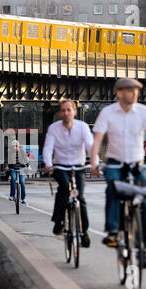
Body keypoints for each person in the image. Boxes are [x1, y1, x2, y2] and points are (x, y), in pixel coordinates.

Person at [90, 78, 146, 268]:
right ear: (119, 93)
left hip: (136, 165)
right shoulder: (107, 113)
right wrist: (94, 161)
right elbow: (98, 139)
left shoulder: (144, 112)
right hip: (115, 164)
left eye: (136, 90)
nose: (134, 93)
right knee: (113, 190)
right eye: (130, 90)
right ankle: (113, 230)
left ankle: (144, 251)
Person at [43, 99, 94, 248]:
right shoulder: (54, 128)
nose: (66, 113)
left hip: (78, 166)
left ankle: (84, 232)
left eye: (69, 110)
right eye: (63, 110)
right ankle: (58, 222)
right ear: (60, 113)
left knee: (80, 197)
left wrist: (95, 162)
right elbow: (48, 148)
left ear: (74, 112)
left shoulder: (83, 127)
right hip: (60, 166)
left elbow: (91, 145)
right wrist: (48, 164)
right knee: (65, 189)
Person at [5, 140, 30, 205]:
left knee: (22, 182)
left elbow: (26, 159)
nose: (14, 148)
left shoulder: (22, 151)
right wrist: (7, 166)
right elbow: (6, 160)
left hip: (22, 168)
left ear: (18, 146)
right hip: (13, 168)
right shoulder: (9, 152)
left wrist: (28, 166)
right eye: (13, 146)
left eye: (16, 146)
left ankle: (23, 199)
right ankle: (12, 196)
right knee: (13, 179)